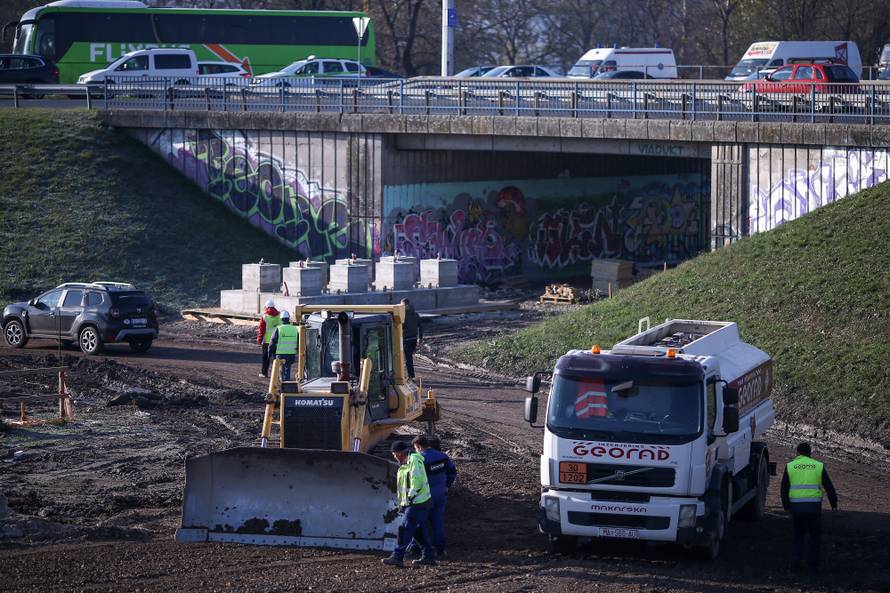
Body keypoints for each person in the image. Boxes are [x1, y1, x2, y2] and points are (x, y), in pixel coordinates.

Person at [780, 442, 838, 572]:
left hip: (796, 508)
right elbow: (829, 487)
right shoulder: (818, 466)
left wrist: (786, 506)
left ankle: (796, 562)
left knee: (798, 535)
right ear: (810, 453)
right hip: (813, 508)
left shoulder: (790, 466)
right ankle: (813, 564)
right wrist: (833, 503)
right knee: (814, 536)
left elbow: (784, 488)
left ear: (798, 452)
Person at [382, 441, 436, 567]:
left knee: (404, 528)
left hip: (417, 501)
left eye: (394, 454)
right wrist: (402, 503)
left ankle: (397, 556)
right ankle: (428, 556)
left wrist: (410, 496)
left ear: (400, 453)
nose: (394, 456)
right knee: (418, 531)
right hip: (414, 502)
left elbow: (417, 480)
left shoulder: (414, 460)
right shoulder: (405, 463)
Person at [406, 435, 456, 558]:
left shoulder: (419, 459)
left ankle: (415, 548)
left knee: (418, 522)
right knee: (437, 522)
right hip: (441, 494)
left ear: (418, 446)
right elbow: (452, 472)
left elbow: (415, 479)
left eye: (415, 448)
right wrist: (447, 486)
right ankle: (440, 549)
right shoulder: (443, 456)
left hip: (425, 496)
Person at [268, 310, 298, 381]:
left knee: (281, 371)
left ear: (281, 319)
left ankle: (283, 386)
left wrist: (269, 353)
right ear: (288, 319)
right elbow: (298, 341)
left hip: (281, 355)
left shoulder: (279, 329)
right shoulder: (294, 329)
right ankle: (287, 383)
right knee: (287, 369)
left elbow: (272, 342)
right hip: (291, 354)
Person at [256, 299, 281, 378]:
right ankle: (278, 375)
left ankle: (264, 373)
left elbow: (261, 330)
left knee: (265, 358)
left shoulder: (264, 317)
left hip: (267, 341)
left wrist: (259, 340)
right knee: (276, 358)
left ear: (266, 307)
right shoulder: (280, 315)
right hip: (277, 341)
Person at [401, 298, 423, 379]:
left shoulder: (403, 315)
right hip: (414, 339)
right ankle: (409, 375)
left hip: (406, 339)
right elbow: (420, 326)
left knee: (408, 358)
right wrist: (420, 338)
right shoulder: (416, 314)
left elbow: (401, 326)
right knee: (409, 357)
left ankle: (411, 376)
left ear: (404, 305)